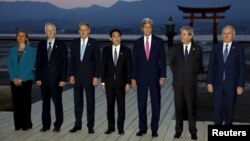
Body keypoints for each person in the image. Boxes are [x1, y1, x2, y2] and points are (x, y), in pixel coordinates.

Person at [131, 18, 166, 137]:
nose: (147, 29)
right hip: (140, 78)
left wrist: (163, 76)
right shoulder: (136, 43)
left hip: (155, 77)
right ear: (142, 28)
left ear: (152, 28)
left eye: (149, 27)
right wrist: (133, 78)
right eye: (145, 27)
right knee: (141, 104)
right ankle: (142, 128)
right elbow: (134, 62)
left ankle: (154, 129)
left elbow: (163, 60)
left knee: (156, 104)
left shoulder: (159, 42)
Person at [207, 25, 245, 125]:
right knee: (217, 109)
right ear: (222, 34)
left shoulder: (238, 48)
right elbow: (211, 66)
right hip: (217, 84)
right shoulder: (216, 47)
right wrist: (209, 83)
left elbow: (242, 68)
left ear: (233, 35)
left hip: (232, 84)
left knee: (229, 109)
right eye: (224, 33)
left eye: (229, 33)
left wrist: (240, 85)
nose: (226, 35)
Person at [170, 26, 203, 140]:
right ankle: (178, 131)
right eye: (181, 34)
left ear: (190, 36)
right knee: (178, 108)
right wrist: (180, 75)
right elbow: (172, 65)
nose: (181, 36)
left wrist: (190, 75)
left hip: (191, 84)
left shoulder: (197, 49)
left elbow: (199, 66)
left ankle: (193, 131)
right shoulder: (175, 48)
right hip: (178, 84)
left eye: (184, 34)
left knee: (191, 109)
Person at [35, 23, 68, 132]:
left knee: (57, 103)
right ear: (45, 32)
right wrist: (38, 77)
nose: (50, 32)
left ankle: (57, 125)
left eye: (52, 30)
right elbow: (38, 62)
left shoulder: (61, 45)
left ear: (55, 31)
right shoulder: (41, 45)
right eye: (48, 30)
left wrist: (63, 79)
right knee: (45, 104)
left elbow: (65, 63)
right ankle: (45, 125)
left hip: (57, 80)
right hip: (43, 80)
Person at [69, 22, 100, 134]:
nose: (83, 32)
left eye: (85, 29)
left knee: (90, 102)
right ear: (78, 31)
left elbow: (97, 62)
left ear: (89, 31)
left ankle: (90, 126)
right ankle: (78, 124)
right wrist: (71, 74)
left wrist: (96, 76)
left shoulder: (95, 43)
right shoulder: (74, 43)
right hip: (76, 77)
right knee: (77, 102)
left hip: (89, 78)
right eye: (81, 30)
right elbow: (71, 60)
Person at [101, 29, 132, 135]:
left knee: (121, 107)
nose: (116, 38)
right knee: (110, 107)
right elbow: (103, 67)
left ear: (121, 37)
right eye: (114, 36)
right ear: (110, 38)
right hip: (109, 84)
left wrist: (128, 83)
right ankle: (111, 127)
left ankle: (120, 128)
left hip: (121, 84)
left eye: (118, 36)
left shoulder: (126, 50)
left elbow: (129, 68)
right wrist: (103, 83)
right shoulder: (105, 50)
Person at [7, 29, 35, 131]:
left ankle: (26, 124)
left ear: (26, 38)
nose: (20, 37)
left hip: (26, 80)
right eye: (18, 35)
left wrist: (21, 78)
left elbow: (30, 66)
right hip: (13, 81)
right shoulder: (12, 50)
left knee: (25, 103)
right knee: (16, 103)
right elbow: (9, 65)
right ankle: (17, 125)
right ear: (16, 38)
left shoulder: (31, 50)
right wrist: (14, 78)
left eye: (23, 36)